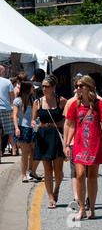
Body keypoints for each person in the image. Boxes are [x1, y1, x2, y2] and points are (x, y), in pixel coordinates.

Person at [65, 75, 102, 220]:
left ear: (89, 87)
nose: (78, 89)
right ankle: (82, 209)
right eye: (77, 86)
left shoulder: (99, 104)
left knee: (92, 177)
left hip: (94, 143)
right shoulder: (75, 105)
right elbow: (72, 125)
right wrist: (67, 143)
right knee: (79, 175)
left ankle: (92, 209)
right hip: (79, 144)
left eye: (81, 86)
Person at [32, 75, 67, 209]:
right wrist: (33, 122)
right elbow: (34, 119)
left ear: (53, 87)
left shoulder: (61, 101)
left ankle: (56, 188)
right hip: (43, 135)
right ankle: (51, 197)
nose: (44, 89)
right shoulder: (38, 102)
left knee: (58, 170)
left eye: (46, 86)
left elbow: (68, 117)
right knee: (47, 169)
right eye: (42, 86)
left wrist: (62, 122)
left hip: (56, 135)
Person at [12, 81, 41, 182]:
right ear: (28, 89)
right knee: (25, 153)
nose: (34, 89)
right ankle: (24, 175)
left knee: (34, 151)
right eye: (32, 87)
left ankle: (31, 171)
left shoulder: (34, 100)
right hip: (23, 127)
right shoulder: (18, 101)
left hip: (33, 128)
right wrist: (16, 128)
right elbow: (15, 115)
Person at [0, 65, 17, 156]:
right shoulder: (7, 82)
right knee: (10, 131)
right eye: (4, 72)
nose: (5, 73)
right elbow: (12, 97)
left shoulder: (7, 81)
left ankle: (0, 152)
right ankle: (14, 150)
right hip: (6, 108)